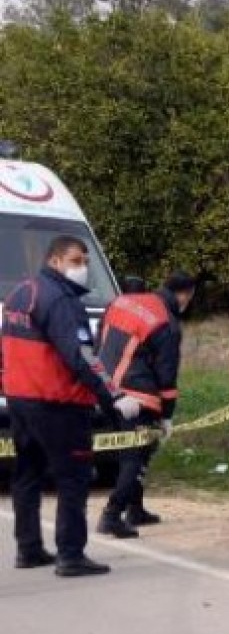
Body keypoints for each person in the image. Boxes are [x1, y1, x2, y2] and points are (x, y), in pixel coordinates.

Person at [2, 235, 141, 577]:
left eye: (85, 262)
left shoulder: (20, 293)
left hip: (21, 400)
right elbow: (83, 357)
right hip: (58, 404)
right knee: (74, 478)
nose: (83, 268)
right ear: (55, 262)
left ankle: (29, 548)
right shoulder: (62, 301)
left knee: (27, 475)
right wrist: (115, 397)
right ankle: (71, 555)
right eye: (77, 261)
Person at [94, 270, 199, 537]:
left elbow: (99, 340)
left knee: (126, 451)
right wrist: (167, 416)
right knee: (135, 457)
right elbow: (167, 377)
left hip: (107, 391)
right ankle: (112, 514)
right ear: (185, 295)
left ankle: (136, 509)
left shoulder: (123, 301)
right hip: (138, 397)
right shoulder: (167, 324)